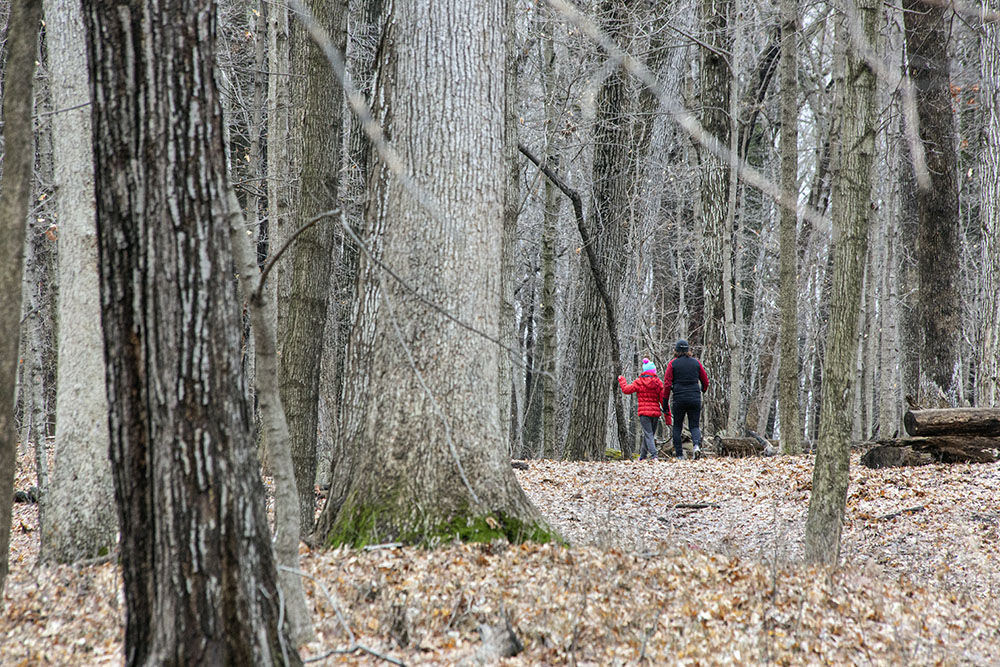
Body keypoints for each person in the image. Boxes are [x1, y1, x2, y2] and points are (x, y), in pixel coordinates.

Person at [661, 339, 709, 459]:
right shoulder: (696, 363)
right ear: (688, 350)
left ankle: (679, 455)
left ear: (676, 351)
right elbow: (705, 381)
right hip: (694, 397)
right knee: (694, 426)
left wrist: (665, 403)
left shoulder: (672, 364)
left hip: (679, 398)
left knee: (677, 426)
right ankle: (696, 446)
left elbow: (667, 385)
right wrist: (702, 390)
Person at [618, 358, 669, 460]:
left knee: (648, 434)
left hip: (644, 413)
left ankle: (654, 456)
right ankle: (643, 456)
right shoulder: (658, 382)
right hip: (655, 413)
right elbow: (663, 400)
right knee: (649, 434)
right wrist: (667, 416)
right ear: (654, 371)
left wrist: (622, 380)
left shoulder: (639, 382)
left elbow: (626, 390)